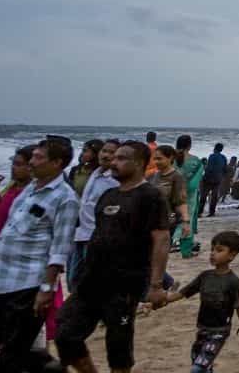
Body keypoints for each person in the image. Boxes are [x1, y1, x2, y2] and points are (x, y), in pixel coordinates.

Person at [55, 140, 170, 373]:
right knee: (65, 332)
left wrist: (156, 285)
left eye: (121, 159)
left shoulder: (150, 196)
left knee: (117, 347)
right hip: (92, 280)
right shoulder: (108, 195)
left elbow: (161, 239)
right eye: (113, 157)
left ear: (138, 163)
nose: (113, 162)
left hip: (125, 284)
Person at [0, 139, 76, 372]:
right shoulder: (29, 189)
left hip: (30, 282)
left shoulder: (64, 198)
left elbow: (60, 247)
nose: (32, 162)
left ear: (56, 163)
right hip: (4, 278)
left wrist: (47, 288)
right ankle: (50, 368)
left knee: (11, 353)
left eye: (38, 158)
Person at [164, 230, 239, 372]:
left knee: (197, 368)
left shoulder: (233, 282)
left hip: (219, 331)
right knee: (199, 361)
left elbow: (238, 305)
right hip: (203, 328)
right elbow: (183, 293)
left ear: (232, 255)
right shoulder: (205, 276)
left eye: (219, 250)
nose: (212, 253)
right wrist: (163, 300)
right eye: (212, 249)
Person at [0, 146, 38, 353]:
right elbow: (1, 210)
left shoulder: (35, 193)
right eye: (13, 164)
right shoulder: (13, 187)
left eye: (19, 164)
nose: (14, 168)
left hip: (17, 256)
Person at [68, 140, 119, 290]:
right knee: (73, 279)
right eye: (104, 151)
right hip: (80, 233)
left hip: (96, 236)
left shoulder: (114, 180)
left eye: (111, 152)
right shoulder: (95, 174)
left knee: (89, 278)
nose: (106, 155)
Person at [148, 145, 191, 268]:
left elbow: (181, 201)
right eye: (154, 159)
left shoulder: (177, 177)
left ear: (170, 158)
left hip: (166, 223)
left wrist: (186, 222)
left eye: (159, 159)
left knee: (157, 258)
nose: (156, 162)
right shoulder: (152, 176)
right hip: (149, 222)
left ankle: (165, 283)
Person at [175, 135, 204, 259]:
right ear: (190, 145)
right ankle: (185, 250)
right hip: (189, 196)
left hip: (172, 194)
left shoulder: (170, 159)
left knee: (172, 218)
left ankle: (171, 241)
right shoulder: (196, 161)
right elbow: (195, 183)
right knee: (187, 220)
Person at [201, 143, 228, 218]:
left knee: (204, 196)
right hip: (218, 179)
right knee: (214, 196)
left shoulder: (212, 156)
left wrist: (205, 176)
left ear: (215, 148)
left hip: (209, 178)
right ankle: (212, 212)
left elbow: (210, 168)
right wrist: (222, 177)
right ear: (221, 149)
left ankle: (200, 212)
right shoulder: (224, 157)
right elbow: (225, 169)